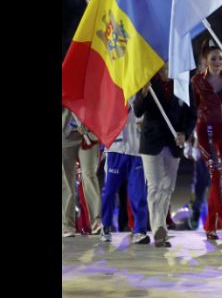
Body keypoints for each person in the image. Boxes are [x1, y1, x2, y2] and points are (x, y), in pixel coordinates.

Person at [135, 63, 195, 247]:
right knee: (155, 186)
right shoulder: (149, 82)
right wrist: (143, 93)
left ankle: (160, 225)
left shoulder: (183, 83)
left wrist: (184, 133)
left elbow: (192, 114)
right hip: (151, 142)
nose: (168, 65)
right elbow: (138, 111)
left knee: (167, 187)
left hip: (174, 142)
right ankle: (159, 230)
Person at [191, 38, 222, 240]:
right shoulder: (197, 82)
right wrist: (190, 139)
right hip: (206, 133)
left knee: (220, 179)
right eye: (213, 58)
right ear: (205, 60)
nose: (218, 62)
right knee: (216, 175)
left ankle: (210, 226)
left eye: (220, 58)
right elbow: (192, 111)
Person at [99, 97, 150, 244]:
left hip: (136, 150)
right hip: (115, 149)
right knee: (109, 191)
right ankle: (106, 226)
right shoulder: (112, 91)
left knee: (138, 193)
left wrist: (145, 125)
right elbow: (103, 118)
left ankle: (140, 230)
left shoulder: (143, 90)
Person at [62, 108, 102, 237]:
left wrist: (87, 122)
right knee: (66, 180)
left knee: (89, 175)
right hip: (65, 135)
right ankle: (67, 225)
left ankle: (96, 222)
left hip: (88, 133)